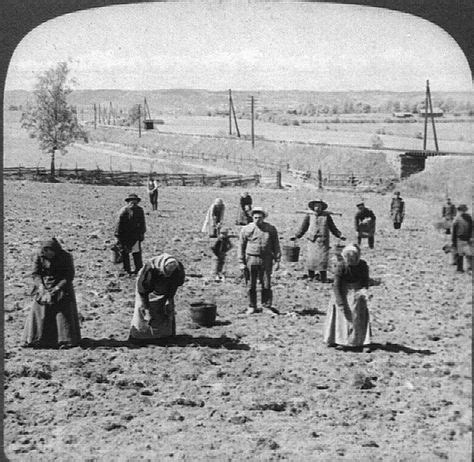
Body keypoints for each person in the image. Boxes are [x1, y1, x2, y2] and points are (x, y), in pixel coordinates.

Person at [22, 238, 81, 349]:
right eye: (46, 252)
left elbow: (68, 276)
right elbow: (35, 274)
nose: (49, 255)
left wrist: (57, 288)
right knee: (39, 309)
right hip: (44, 284)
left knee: (62, 311)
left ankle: (65, 340)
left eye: (51, 252)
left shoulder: (66, 257)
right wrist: (41, 287)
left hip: (61, 285)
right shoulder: (39, 256)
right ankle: (36, 339)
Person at [323, 244, 371, 352]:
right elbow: (336, 286)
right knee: (342, 316)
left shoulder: (362, 266)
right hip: (343, 291)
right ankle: (340, 340)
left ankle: (360, 341)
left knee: (358, 314)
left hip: (356, 291)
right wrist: (340, 303)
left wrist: (362, 292)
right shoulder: (341, 266)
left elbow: (365, 282)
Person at [129, 253, 185, 343]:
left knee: (167, 310)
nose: (169, 274)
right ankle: (140, 336)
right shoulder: (150, 270)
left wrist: (169, 300)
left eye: (171, 273)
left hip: (165, 286)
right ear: (162, 268)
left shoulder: (178, 270)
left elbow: (174, 285)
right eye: (166, 272)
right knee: (141, 309)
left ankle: (166, 335)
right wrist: (147, 311)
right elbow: (143, 292)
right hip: (147, 287)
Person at [239, 207, 281, 314]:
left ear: (264, 218)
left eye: (260, 217)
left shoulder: (270, 229)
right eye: (255, 217)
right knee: (250, 284)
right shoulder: (246, 229)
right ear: (252, 217)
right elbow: (241, 246)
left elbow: (276, 245)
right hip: (251, 259)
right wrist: (241, 262)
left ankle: (266, 306)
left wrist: (277, 261)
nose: (257, 219)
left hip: (266, 259)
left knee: (266, 283)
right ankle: (252, 306)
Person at [293, 199, 345, 283]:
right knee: (311, 259)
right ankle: (311, 276)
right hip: (312, 241)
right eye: (316, 206)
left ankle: (323, 278)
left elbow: (333, 228)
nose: (317, 208)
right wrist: (296, 236)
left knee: (322, 260)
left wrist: (339, 235)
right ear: (313, 207)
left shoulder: (326, 216)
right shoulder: (309, 215)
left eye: (319, 206)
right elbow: (303, 227)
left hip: (323, 242)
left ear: (322, 207)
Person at [115, 193, 146, 275]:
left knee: (136, 253)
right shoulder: (123, 211)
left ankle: (139, 269)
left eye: (135, 200)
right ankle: (126, 269)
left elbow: (142, 223)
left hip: (135, 235)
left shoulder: (140, 210)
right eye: (131, 200)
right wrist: (118, 236)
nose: (133, 202)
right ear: (128, 202)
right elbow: (119, 224)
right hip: (125, 235)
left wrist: (142, 233)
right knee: (125, 253)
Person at [452, 204, 472, 273]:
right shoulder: (468, 218)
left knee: (461, 254)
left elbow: (454, 231)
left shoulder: (457, 219)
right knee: (466, 254)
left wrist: (453, 241)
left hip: (461, 238)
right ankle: (466, 268)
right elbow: (471, 229)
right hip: (464, 238)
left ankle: (461, 269)